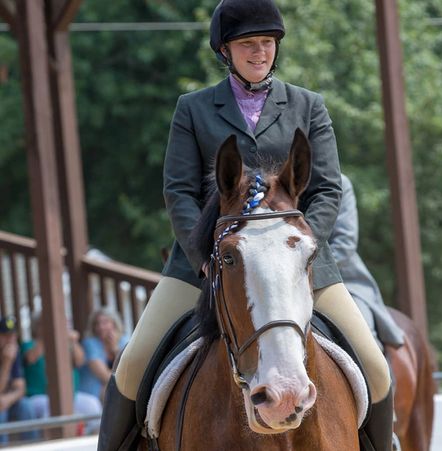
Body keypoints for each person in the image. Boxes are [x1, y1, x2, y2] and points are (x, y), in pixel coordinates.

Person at [98, 1, 394, 450]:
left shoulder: (308, 106)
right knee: (133, 364)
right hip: (209, 262)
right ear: (225, 50)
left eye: (267, 43)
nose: (259, 52)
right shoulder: (193, 109)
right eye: (247, 45)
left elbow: (328, 190)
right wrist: (204, 260)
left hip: (295, 265)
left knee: (375, 366)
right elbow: (178, 192)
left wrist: (298, 255)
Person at [329, 174, 405, 350]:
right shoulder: (266, 184)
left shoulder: (339, 182)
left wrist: (303, 271)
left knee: (365, 340)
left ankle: (381, 376)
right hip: (283, 285)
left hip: (339, 279)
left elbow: (344, 244)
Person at [21, 312, 102, 434]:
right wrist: (48, 334)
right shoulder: (29, 345)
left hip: (70, 396)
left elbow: (80, 361)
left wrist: (73, 342)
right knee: (50, 409)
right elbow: (31, 358)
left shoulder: (66, 344)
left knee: (93, 405)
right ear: (38, 326)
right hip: (39, 397)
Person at [0, 316, 37, 444]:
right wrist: (6, 363)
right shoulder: (8, 355)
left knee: (26, 406)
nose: (11, 340)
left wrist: (8, 398)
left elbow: (21, 388)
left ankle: (32, 446)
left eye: (13, 335)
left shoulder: (14, 352)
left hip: (6, 401)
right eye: (6, 335)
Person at [79, 308, 128, 403]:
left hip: (111, 395)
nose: (100, 327)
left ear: (114, 323)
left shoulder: (124, 340)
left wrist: (114, 348)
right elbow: (105, 377)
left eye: (105, 322)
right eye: (97, 324)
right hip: (91, 396)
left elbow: (130, 369)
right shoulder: (90, 343)